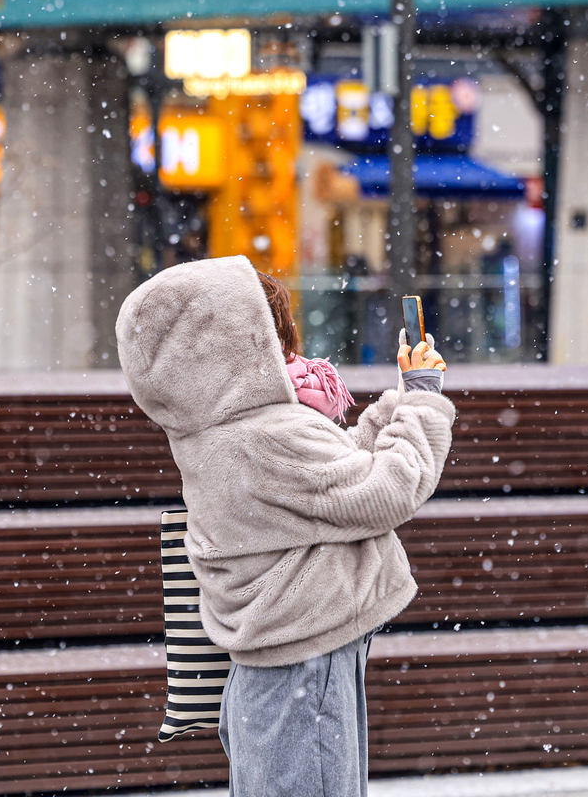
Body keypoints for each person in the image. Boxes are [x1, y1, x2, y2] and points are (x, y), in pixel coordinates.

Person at [115, 255, 454, 797]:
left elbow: (333, 483)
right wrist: (425, 401)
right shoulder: (266, 434)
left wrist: (402, 401)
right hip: (303, 664)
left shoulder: (215, 430)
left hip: (276, 665)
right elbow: (389, 488)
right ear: (236, 340)